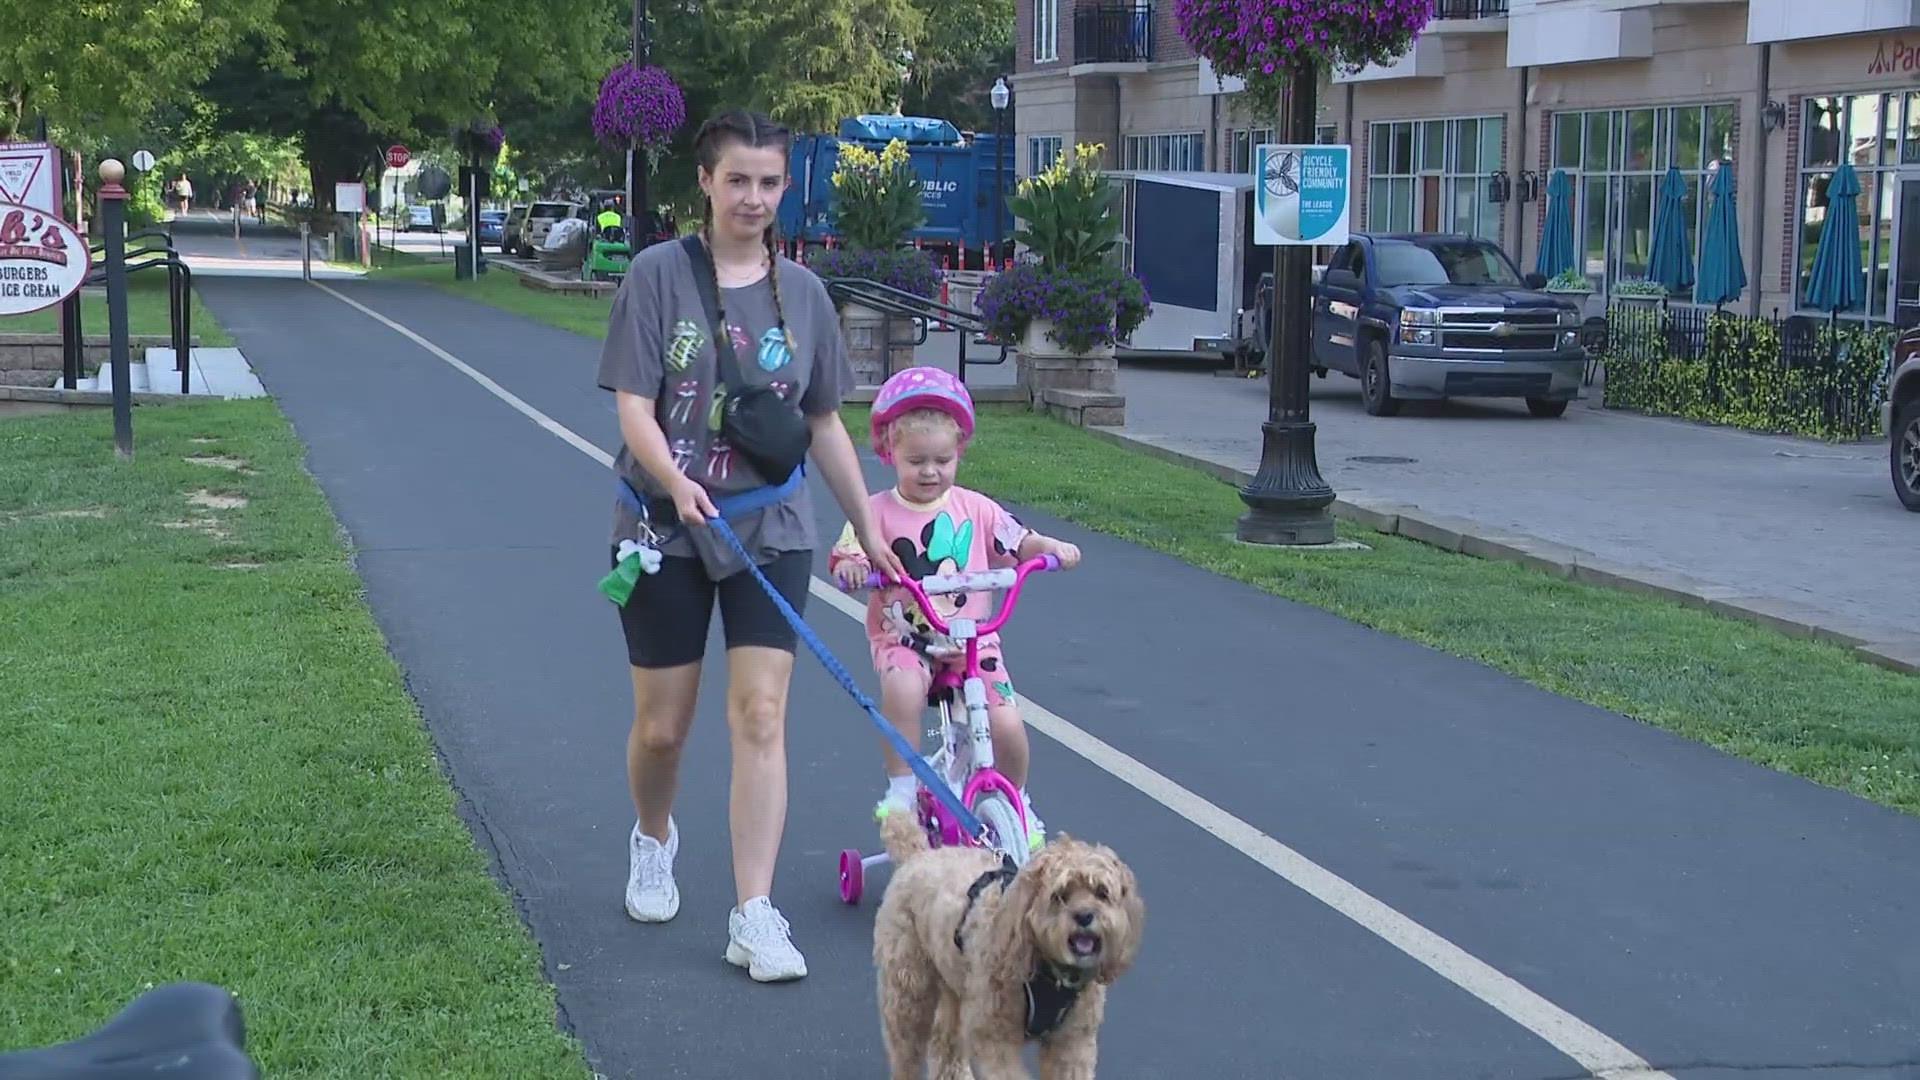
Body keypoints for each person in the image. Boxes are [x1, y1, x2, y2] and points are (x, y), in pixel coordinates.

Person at [594, 109, 908, 983]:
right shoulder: (658, 276)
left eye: (770, 183)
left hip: (772, 527)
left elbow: (823, 420)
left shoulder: (803, 293)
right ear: (706, 181)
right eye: (738, 180)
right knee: (663, 730)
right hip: (667, 529)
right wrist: (676, 481)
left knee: (762, 717)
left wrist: (870, 523)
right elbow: (632, 407)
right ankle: (653, 838)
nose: (755, 198)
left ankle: (753, 911)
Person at [828, 367, 1081, 853]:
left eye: (942, 460)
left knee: (1006, 721)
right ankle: (902, 789)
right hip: (906, 637)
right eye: (916, 460)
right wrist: (855, 568)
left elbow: (1019, 541)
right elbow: (848, 554)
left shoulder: (975, 508)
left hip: (971, 640)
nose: (930, 471)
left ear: (959, 452)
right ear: (889, 453)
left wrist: (1050, 547)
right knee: (902, 687)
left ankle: (1016, 799)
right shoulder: (875, 511)